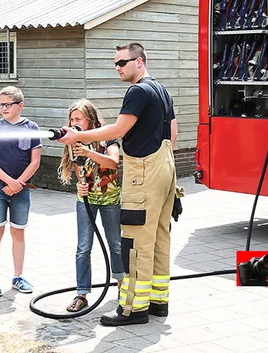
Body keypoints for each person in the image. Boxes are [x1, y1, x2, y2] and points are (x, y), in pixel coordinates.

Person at [58, 42, 177, 326]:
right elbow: (173, 133)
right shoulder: (162, 90)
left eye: (122, 62)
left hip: (143, 171)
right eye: (115, 63)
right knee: (160, 237)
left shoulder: (138, 91)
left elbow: (119, 129)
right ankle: (157, 302)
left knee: (136, 241)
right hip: (165, 167)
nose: (117, 68)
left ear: (139, 62)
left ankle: (132, 309)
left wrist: (77, 137)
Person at [58, 99, 123, 313]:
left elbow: (113, 163)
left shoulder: (107, 138)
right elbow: (80, 172)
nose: (74, 123)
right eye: (71, 119)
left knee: (116, 244)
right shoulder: (73, 142)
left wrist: (88, 152)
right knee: (83, 248)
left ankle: (122, 287)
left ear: (90, 119)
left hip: (110, 199)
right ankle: (82, 293)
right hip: (86, 201)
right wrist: (81, 185)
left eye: (78, 119)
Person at [0, 86, 41, 297]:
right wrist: (10, 182)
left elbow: (35, 161)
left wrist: (19, 183)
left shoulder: (31, 127)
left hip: (22, 190)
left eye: (8, 104)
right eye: (1, 104)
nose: (4, 108)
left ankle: (18, 276)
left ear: (20, 105)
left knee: (18, 233)